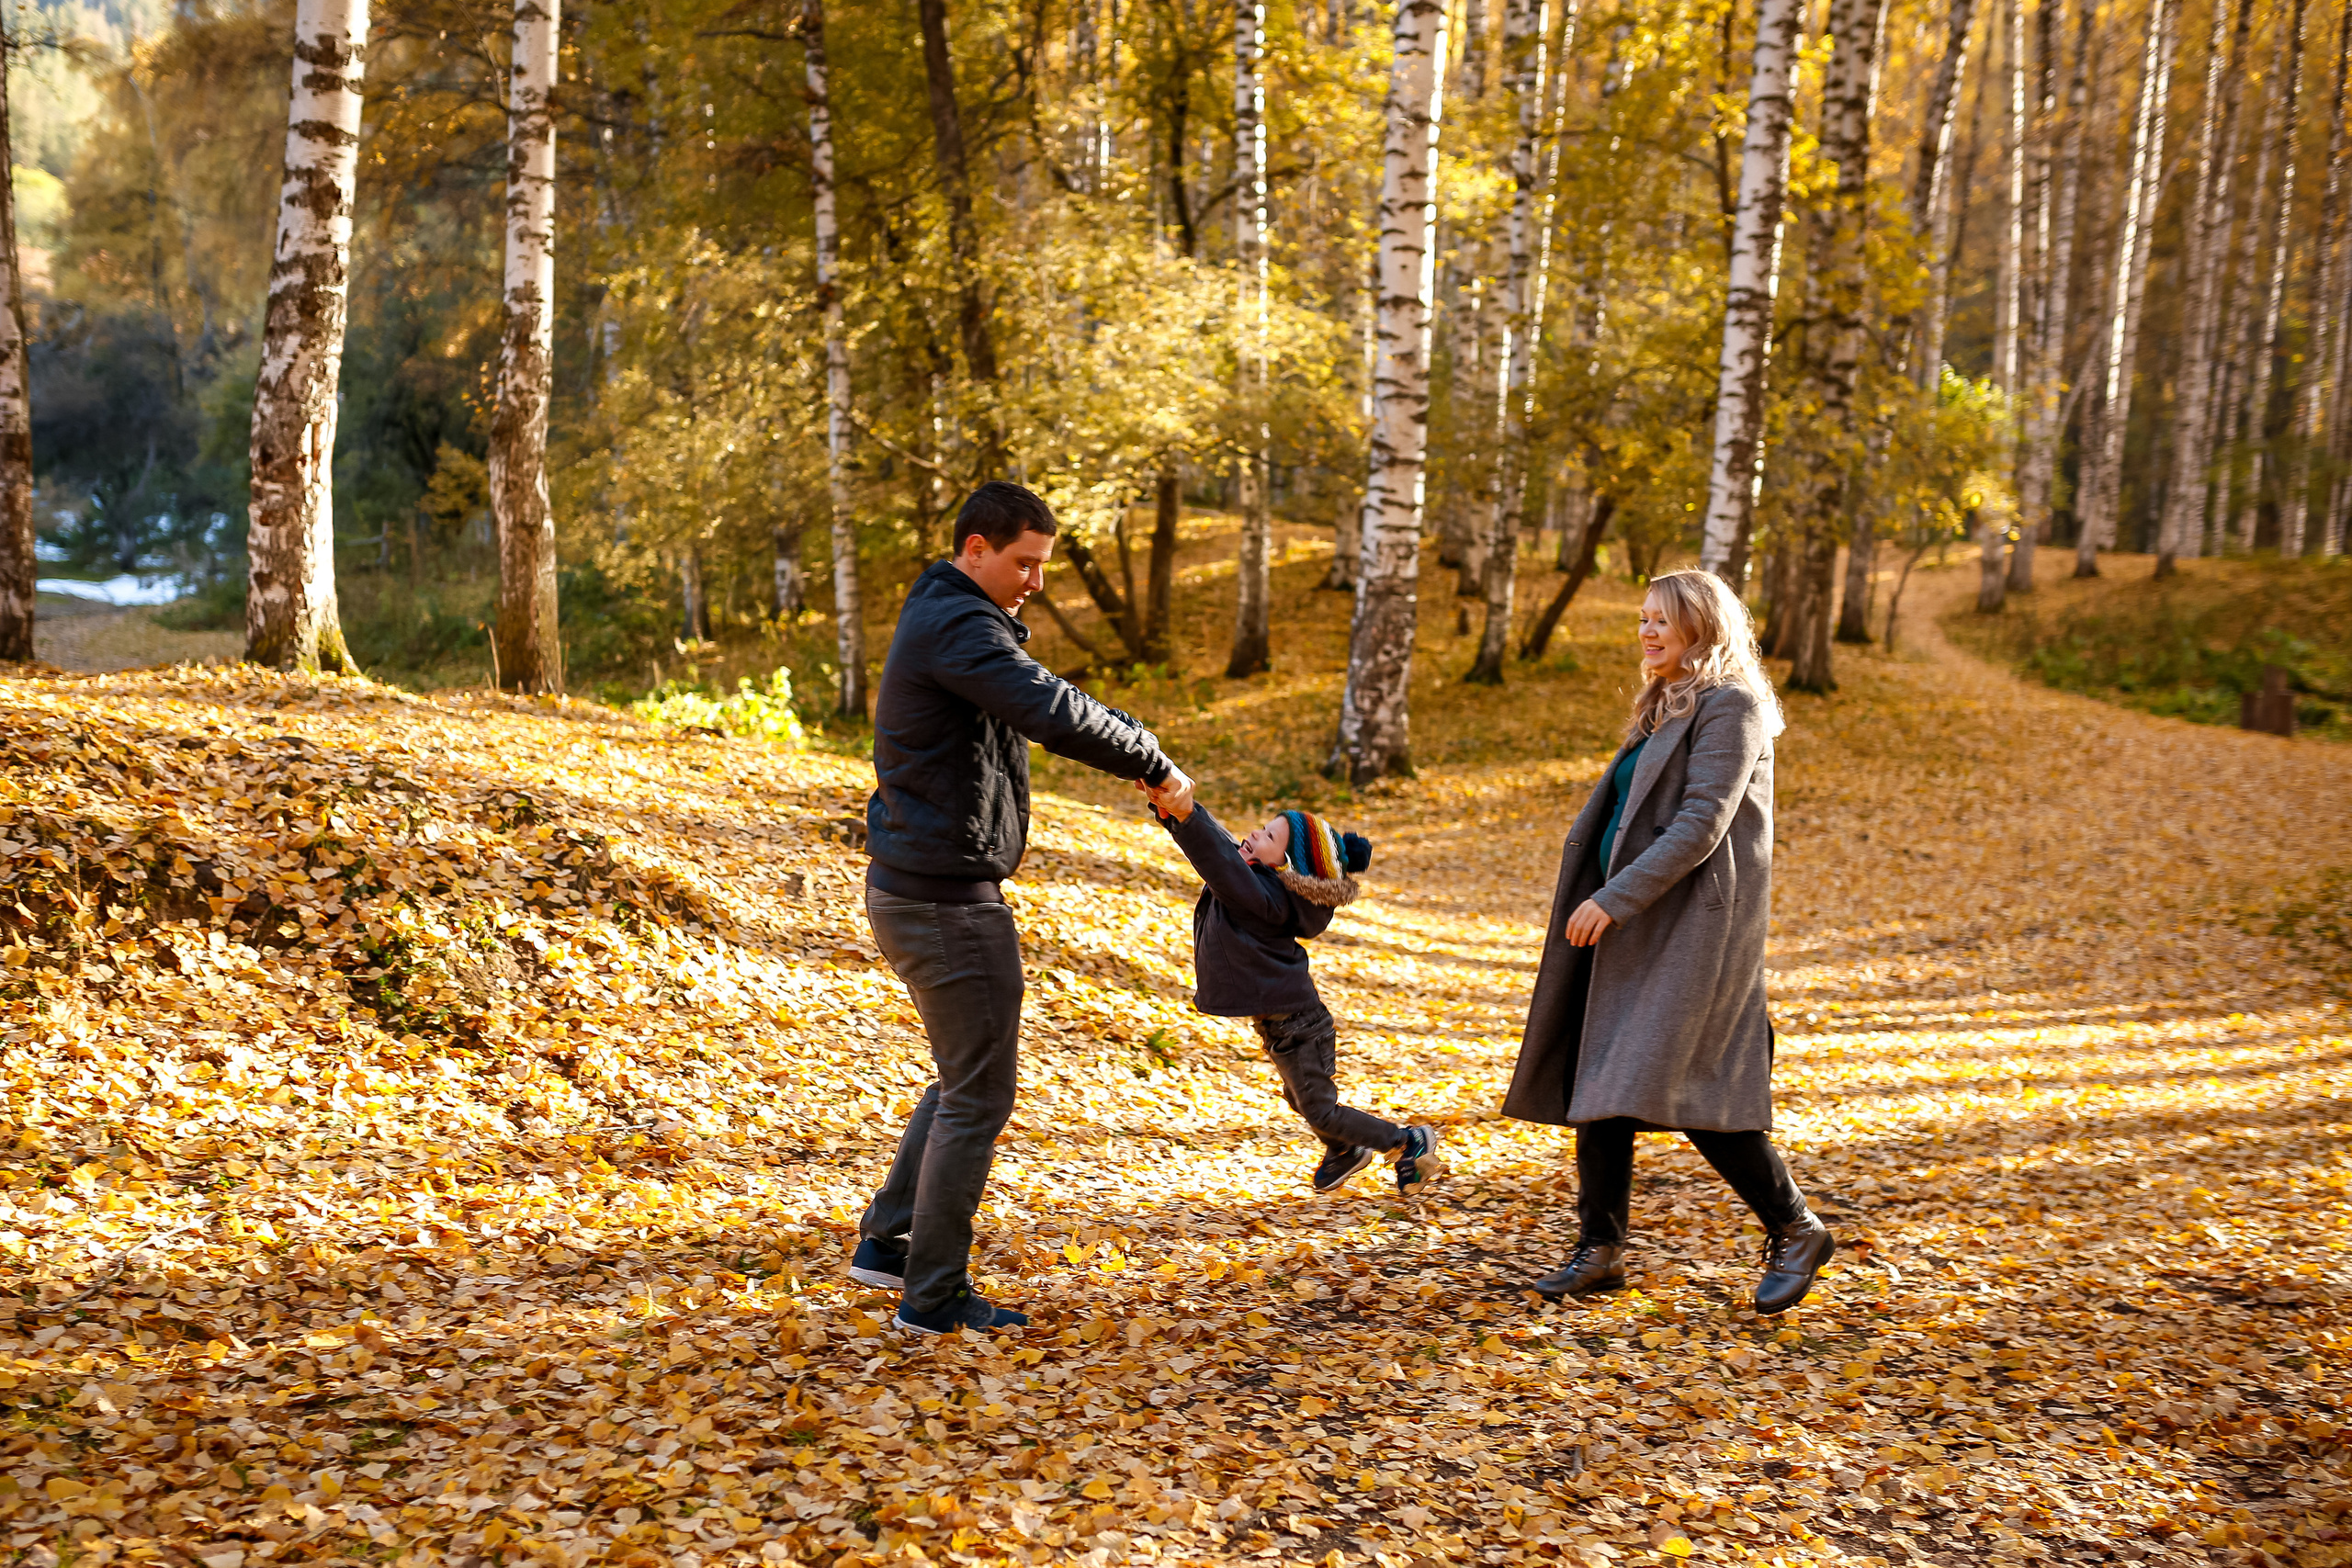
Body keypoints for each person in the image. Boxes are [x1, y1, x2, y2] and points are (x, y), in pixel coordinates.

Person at [849, 481, 1193, 1336]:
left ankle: (888, 1240)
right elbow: (1049, 708)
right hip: (943, 902)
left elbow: (1036, 694)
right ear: (975, 549)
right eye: (1023, 562)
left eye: (1041, 564)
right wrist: (1148, 757)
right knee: (979, 1095)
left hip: (922, 887)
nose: (1035, 580)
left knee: (961, 1079)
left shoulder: (955, 618)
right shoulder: (959, 626)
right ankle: (931, 1297)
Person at [1501, 568, 1834, 1314]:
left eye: (1663, 619)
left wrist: (1612, 900)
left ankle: (1796, 1225)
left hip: (1693, 928)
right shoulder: (1664, 703)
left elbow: (1700, 824)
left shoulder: (1734, 705)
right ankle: (1601, 1248)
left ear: (1702, 627)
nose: (1646, 631)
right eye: (1643, 618)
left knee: (1688, 1082)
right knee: (1604, 1075)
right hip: (1640, 921)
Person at [1148, 785, 1443, 1196]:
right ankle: (1345, 1148)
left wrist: (1188, 815)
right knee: (1301, 1100)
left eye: (1269, 837)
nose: (1254, 834)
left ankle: (1405, 1141)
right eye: (1264, 828)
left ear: (1288, 864)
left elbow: (1217, 860)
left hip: (1298, 1024)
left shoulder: (1263, 895)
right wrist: (1175, 814)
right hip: (1284, 1023)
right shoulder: (1258, 880)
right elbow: (1222, 847)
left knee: (1320, 1108)